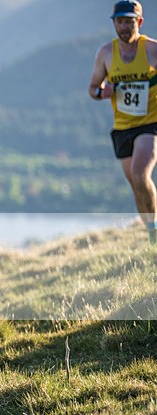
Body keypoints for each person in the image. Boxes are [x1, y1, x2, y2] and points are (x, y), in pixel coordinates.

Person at [90, 0, 157, 244]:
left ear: (139, 22)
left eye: (129, 22)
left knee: (141, 174)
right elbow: (92, 88)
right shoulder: (106, 53)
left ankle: (156, 229)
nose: (123, 27)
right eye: (119, 22)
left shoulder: (152, 49)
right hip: (122, 128)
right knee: (136, 186)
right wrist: (102, 92)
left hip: (151, 123)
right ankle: (151, 231)